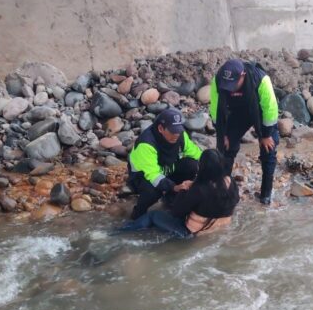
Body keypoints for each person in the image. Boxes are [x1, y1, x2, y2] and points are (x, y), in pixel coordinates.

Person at [117, 149, 239, 238]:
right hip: (219, 226)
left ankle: (119, 232)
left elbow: (177, 212)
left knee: (153, 215)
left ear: (202, 168)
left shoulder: (199, 189)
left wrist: (183, 189)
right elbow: (236, 200)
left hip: (192, 233)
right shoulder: (230, 181)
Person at [210, 58, 279, 205]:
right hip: (238, 113)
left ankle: (266, 194)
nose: (231, 89)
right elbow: (216, 110)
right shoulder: (217, 80)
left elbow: (270, 109)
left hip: (259, 111)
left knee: (268, 149)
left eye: (233, 85)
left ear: (242, 75)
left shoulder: (261, 79)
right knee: (225, 148)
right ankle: (223, 190)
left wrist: (265, 135)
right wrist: (223, 135)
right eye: (227, 86)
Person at [127, 108, 202, 219]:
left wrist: (213, 168)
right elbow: (153, 176)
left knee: (191, 165)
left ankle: (171, 199)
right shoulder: (146, 144)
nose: (176, 135)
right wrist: (174, 187)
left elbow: (196, 153)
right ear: (161, 128)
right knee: (153, 191)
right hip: (143, 177)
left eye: (178, 130)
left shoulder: (179, 135)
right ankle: (137, 214)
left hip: (166, 170)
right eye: (172, 131)